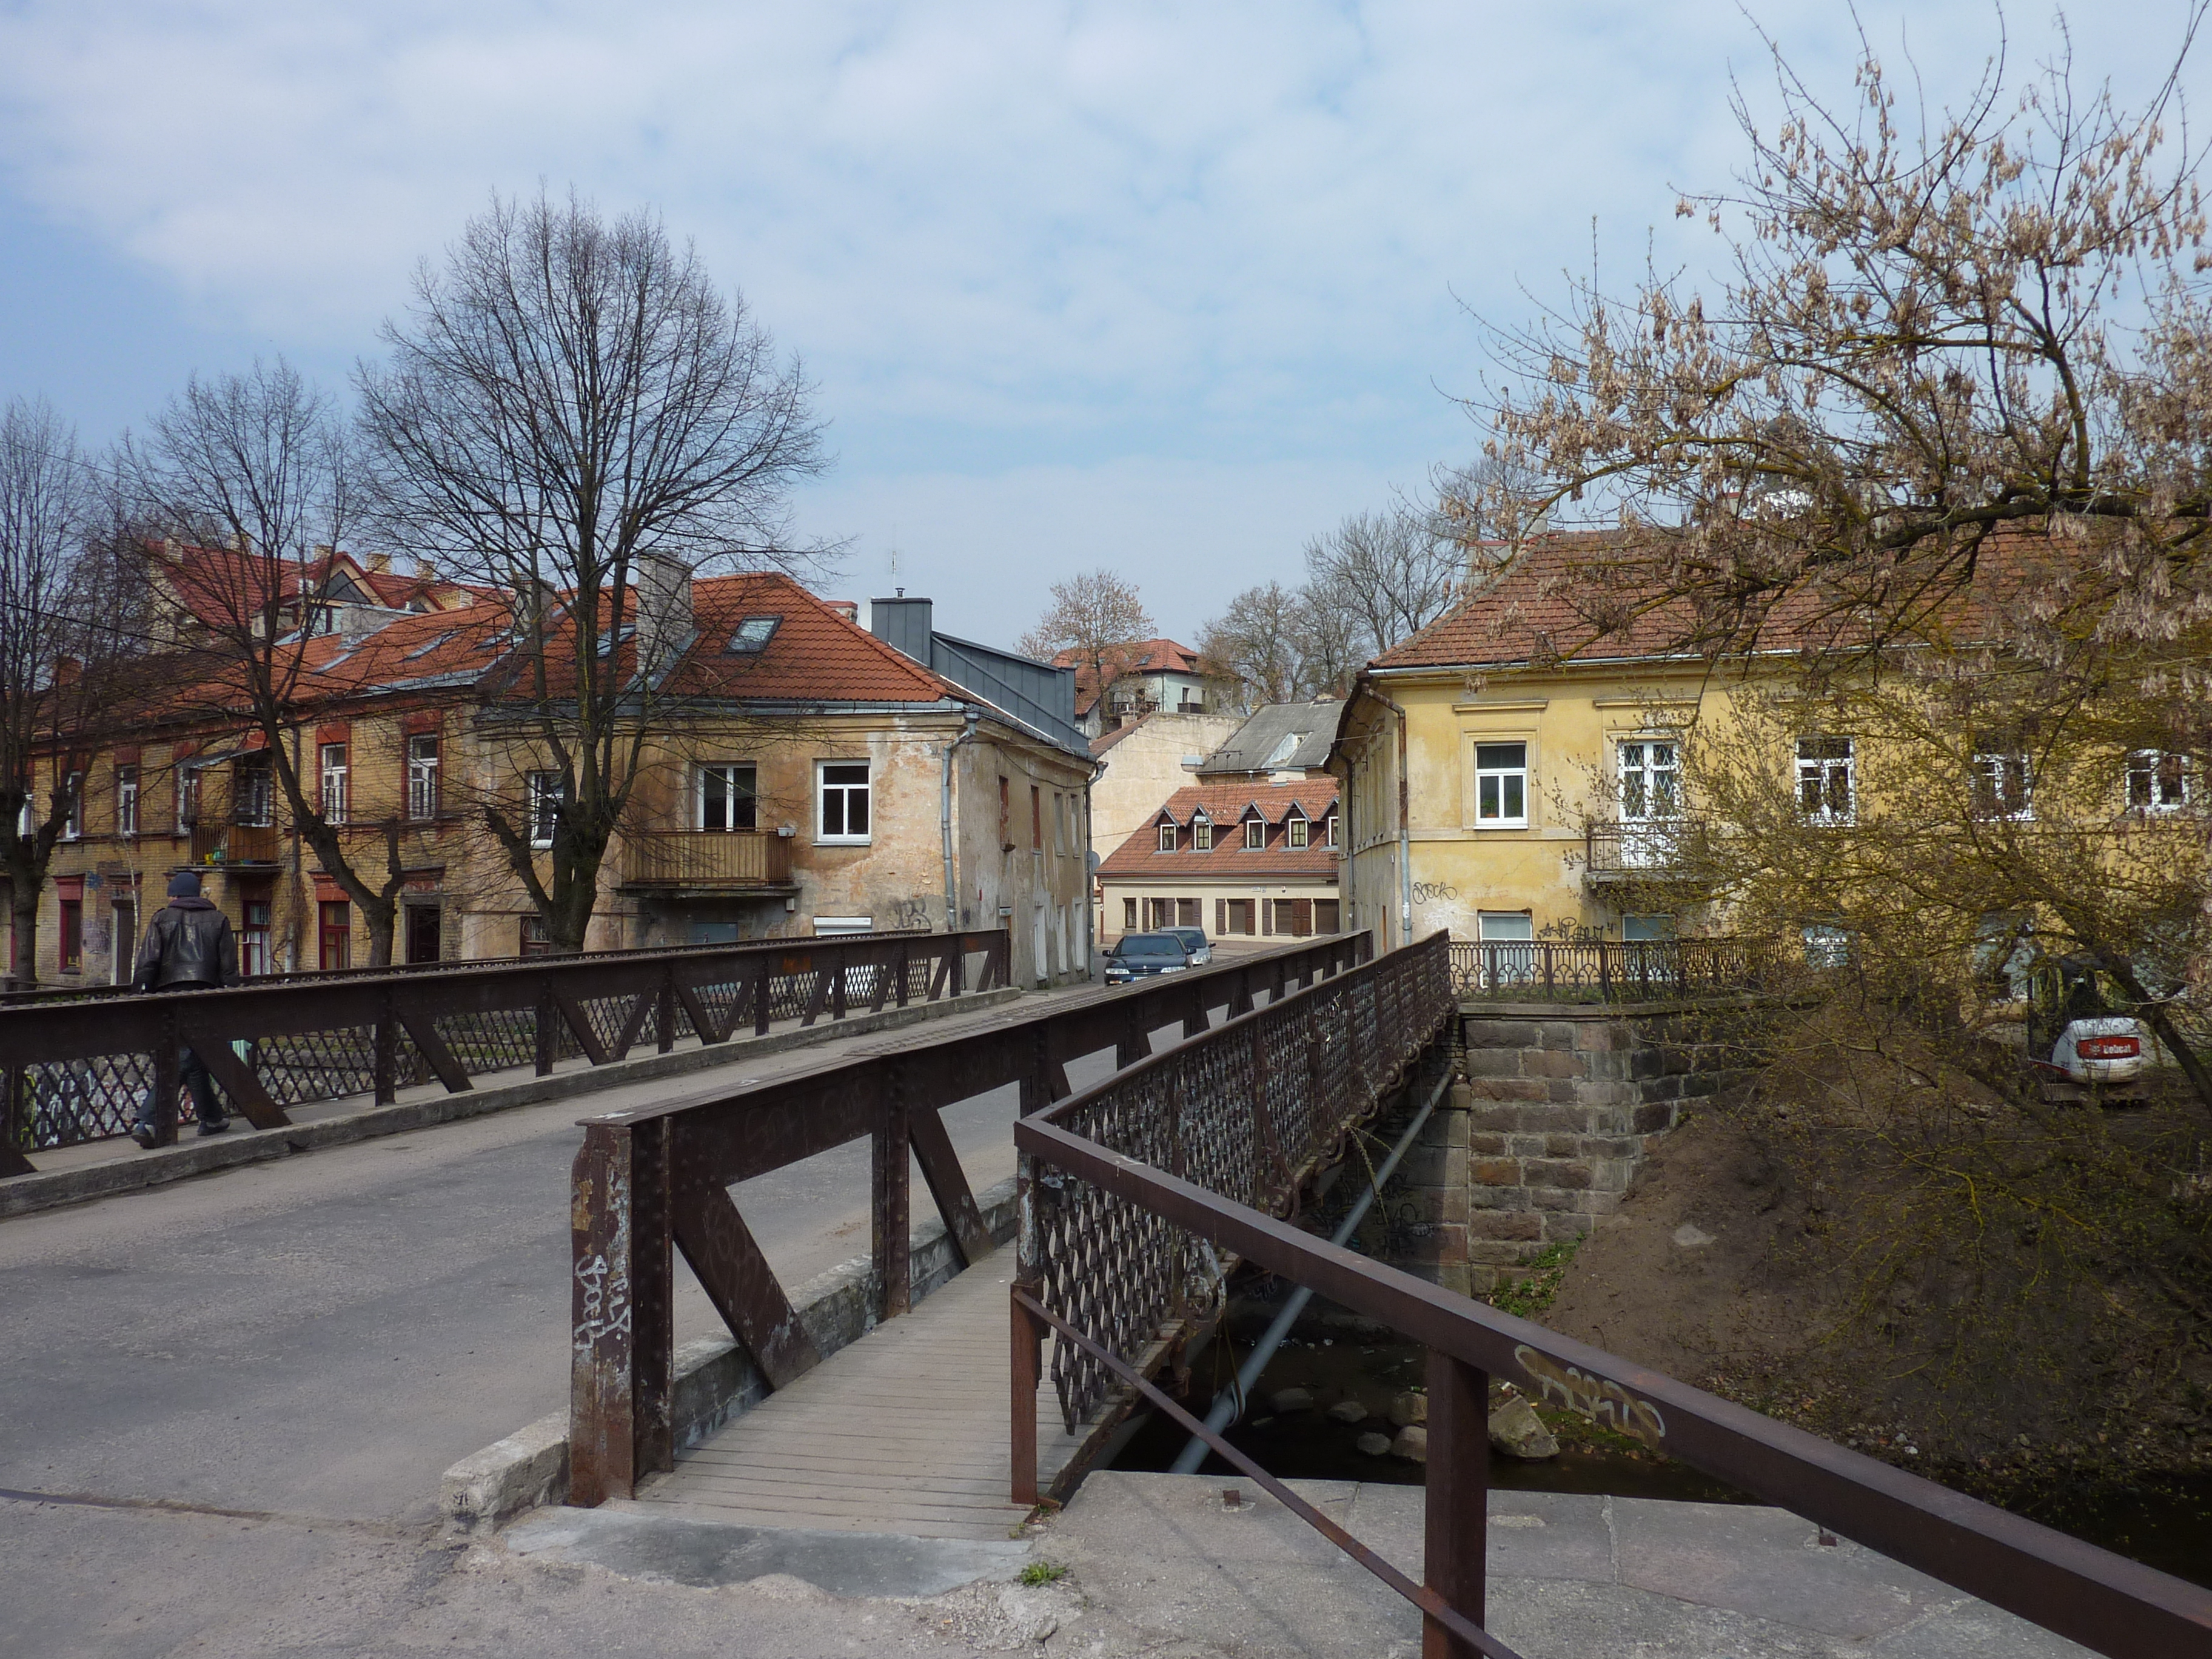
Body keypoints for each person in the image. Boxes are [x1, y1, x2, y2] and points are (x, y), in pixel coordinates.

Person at [129, 871, 240, 1147]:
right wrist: (232, 999)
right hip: (205, 997)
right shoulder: (219, 920)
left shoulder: (161, 918)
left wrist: (137, 993)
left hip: (168, 998)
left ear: (175, 896)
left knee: (181, 1057)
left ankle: (147, 1121)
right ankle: (212, 1118)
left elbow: (148, 961)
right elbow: (229, 969)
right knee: (192, 1057)